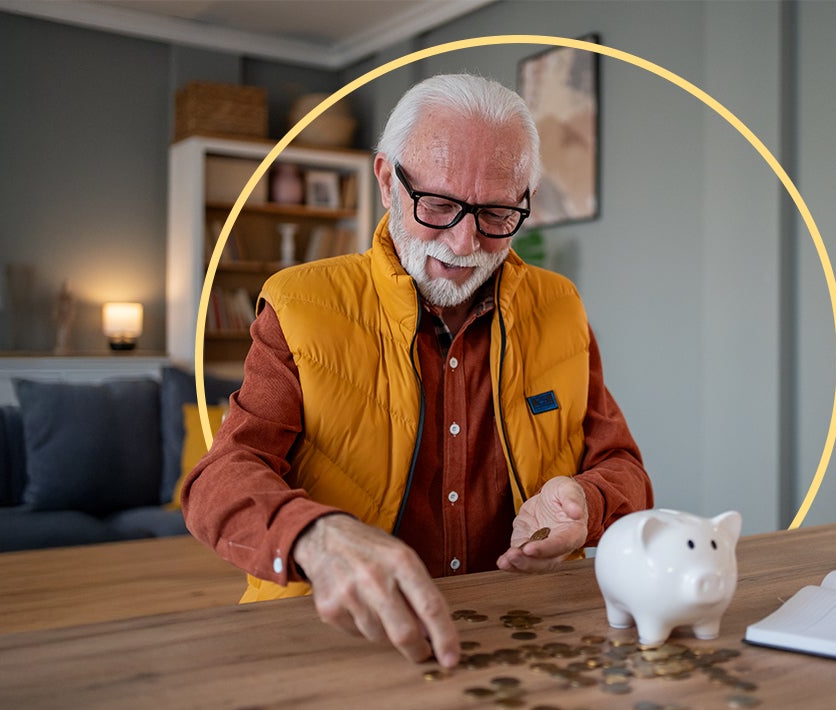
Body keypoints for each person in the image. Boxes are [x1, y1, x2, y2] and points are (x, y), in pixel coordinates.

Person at [181, 73, 653, 668]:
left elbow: (624, 470)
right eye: (437, 205)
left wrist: (586, 502)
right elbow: (219, 478)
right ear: (386, 180)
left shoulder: (561, 307)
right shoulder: (298, 305)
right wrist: (314, 535)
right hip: (334, 643)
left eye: (497, 213)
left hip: (524, 636)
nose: (464, 241)